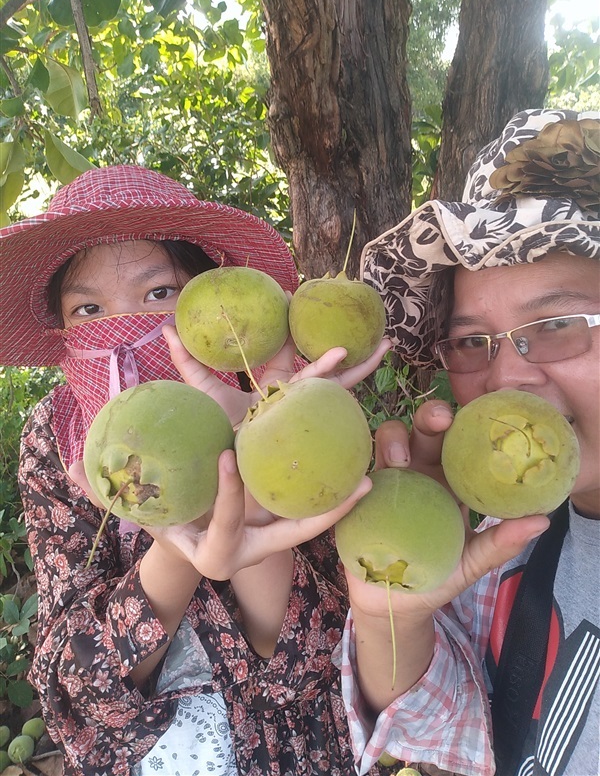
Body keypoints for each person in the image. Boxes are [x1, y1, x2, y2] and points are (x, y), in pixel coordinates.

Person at [0, 163, 401, 776]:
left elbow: (313, 665)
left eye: (159, 294)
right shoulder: (56, 440)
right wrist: (180, 548)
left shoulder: (286, 407)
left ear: (205, 300)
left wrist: (251, 473)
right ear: (61, 327)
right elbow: (78, 695)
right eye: (88, 308)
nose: (124, 328)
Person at [350, 108, 600, 776]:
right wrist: (393, 616)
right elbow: (455, 744)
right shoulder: (509, 548)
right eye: (470, 342)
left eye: (557, 323)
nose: (506, 376)